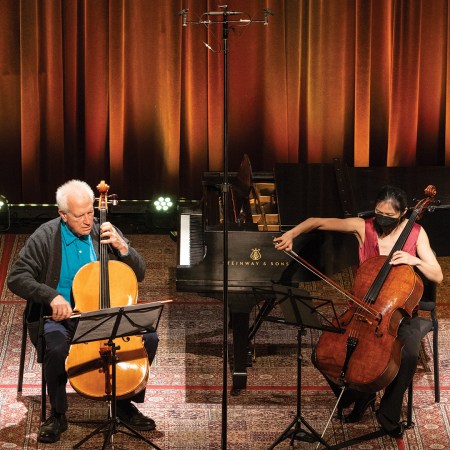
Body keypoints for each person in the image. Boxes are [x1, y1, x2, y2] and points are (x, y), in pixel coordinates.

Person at [274, 185, 443, 437]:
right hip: (361, 309)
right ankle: (359, 396)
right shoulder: (363, 227)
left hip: (396, 316)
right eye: (378, 213)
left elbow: (437, 275)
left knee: (406, 356)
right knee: (323, 355)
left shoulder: (416, 234)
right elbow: (316, 222)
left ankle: (388, 414)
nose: (381, 220)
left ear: (404, 213)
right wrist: (293, 234)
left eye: (389, 216)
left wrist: (415, 260)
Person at [7, 179, 159, 444]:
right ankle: (58, 413)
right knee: (54, 349)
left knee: (149, 339)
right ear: (63, 215)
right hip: (62, 318)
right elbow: (17, 277)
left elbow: (140, 272)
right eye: (80, 216)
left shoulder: (104, 232)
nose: (89, 221)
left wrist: (124, 248)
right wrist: (51, 295)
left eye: (91, 212)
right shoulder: (45, 237)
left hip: (105, 315)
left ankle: (123, 403)